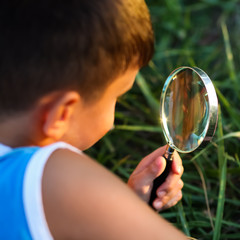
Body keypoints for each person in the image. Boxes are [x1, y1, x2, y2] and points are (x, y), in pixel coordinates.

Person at [0, 0, 187, 239]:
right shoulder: (55, 179)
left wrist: (126, 210)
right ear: (61, 114)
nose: (114, 119)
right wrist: (108, 208)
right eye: (118, 96)